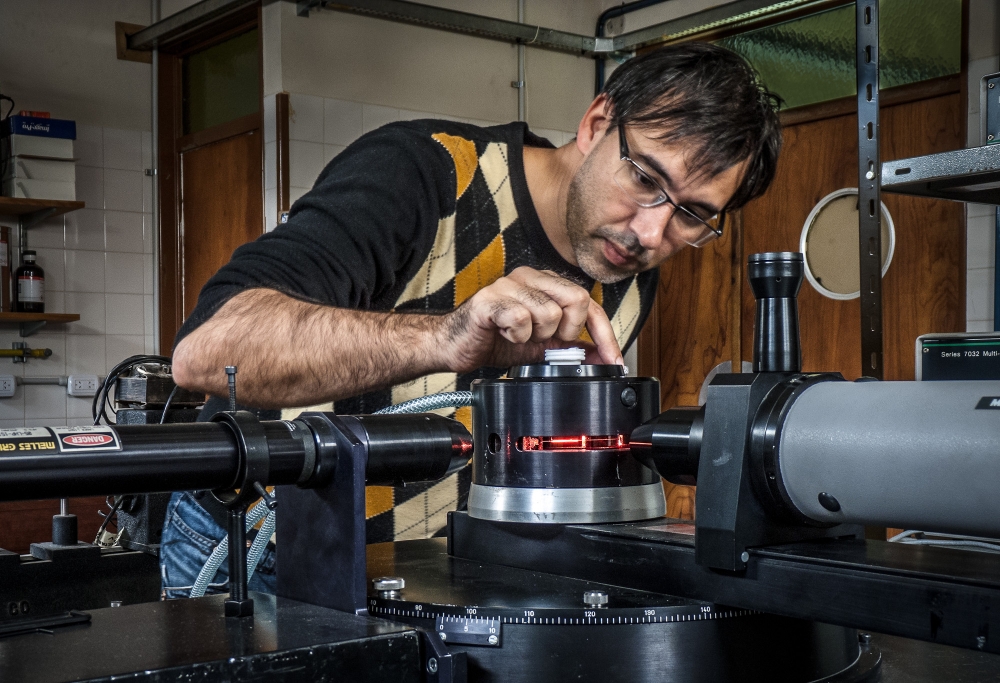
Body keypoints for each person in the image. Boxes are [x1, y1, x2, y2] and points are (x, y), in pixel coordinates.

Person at [161, 42, 782, 598]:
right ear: (596, 124)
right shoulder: (425, 171)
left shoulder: (629, 264)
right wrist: (447, 337)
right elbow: (209, 351)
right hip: (257, 546)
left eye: (692, 215)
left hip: (423, 569)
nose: (651, 231)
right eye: (646, 177)